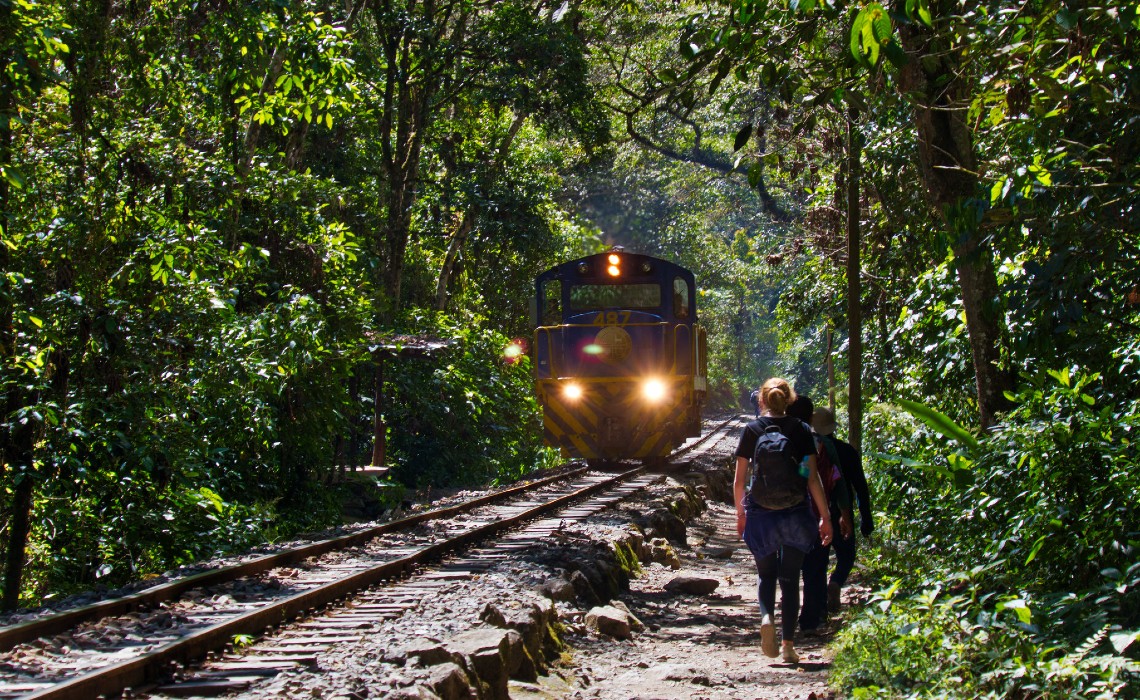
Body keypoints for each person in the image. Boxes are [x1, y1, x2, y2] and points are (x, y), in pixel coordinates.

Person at [734, 379, 833, 664]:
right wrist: (824, 517)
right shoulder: (801, 430)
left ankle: (766, 618)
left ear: (761, 400)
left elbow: (740, 482)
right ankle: (789, 646)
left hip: (762, 514)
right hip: (795, 513)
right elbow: (811, 477)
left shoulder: (751, 431)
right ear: (789, 400)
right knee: (790, 581)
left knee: (766, 576)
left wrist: (741, 515)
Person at [789, 398, 852, 633]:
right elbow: (838, 482)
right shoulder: (825, 445)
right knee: (816, 569)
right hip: (816, 514)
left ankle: (788, 624)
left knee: (791, 571)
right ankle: (811, 619)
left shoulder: (783, 440)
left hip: (788, 516)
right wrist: (842, 514)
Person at [812, 406, 873, 612]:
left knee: (818, 559)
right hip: (842, 512)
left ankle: (818, 606)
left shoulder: (809, 452)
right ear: (831, 428)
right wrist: (866, 518)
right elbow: (860, 487)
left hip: (816, 512)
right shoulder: (847, 451)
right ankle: (836, 582)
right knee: (846, 555)